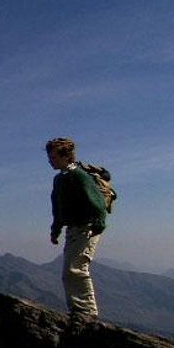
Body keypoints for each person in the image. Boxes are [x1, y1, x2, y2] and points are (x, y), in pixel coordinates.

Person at [46, 137, 107, 321]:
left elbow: (97, 203)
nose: (50, 161)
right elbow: (58, 208)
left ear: (67, 156)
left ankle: (86, 313)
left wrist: (99, 224)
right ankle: (79, 311)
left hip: (85, 228)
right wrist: (55, 230)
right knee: (70, 270)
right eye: (50, 157)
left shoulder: (78, 175)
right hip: (73, 229)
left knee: (76, 269)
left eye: (54, 157)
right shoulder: (60, 179)